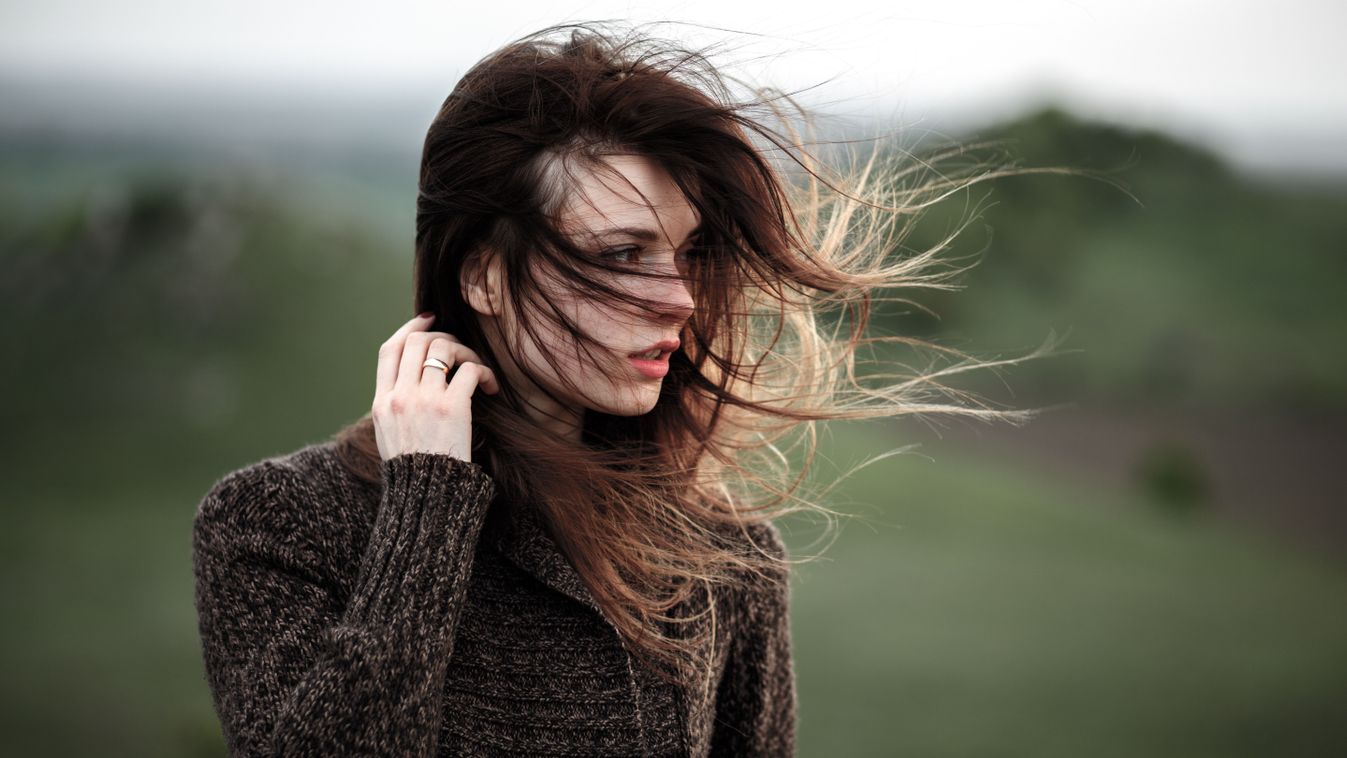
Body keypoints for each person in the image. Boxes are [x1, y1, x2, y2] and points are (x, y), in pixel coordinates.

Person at [191, 20, 1049, 758]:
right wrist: (426, 510)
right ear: (483, 274)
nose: (678, 298)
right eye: (619, 254)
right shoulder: (278, 524)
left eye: (684, 253)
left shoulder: (722, 558)